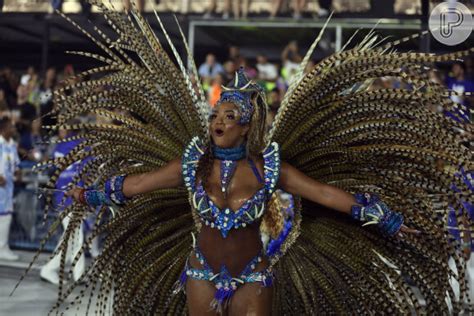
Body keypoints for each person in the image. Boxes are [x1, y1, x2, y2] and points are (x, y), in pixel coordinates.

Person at [30, 2, 474, 315]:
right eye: (214, 114)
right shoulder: (193, 163)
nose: (217, 120)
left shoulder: (267, 168)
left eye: (228, 115)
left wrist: (390, 218)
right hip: (201, 271)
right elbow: (138, 185)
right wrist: (86, 192)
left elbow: (323, 193)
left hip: (254, 274)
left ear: (245, 125)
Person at [0, 117, 20, 261]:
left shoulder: (12, 144)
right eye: (11, 127)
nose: (13, 129)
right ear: (4, 129)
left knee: (6, 217)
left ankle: (3, 247)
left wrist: (17, 171)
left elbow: (15, 162)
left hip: (8, 188)